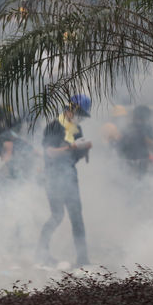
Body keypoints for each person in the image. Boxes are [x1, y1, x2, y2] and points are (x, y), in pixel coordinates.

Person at [37, 94, 92, 267]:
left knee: (77, 217)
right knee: (57, 215)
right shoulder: (54, 126)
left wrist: (83, 150)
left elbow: (72, 157)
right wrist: (72, 147)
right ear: (70, 110)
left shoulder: (77, 129)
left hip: (70, 177)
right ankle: (41, 253)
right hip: (53, 177)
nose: (80, 118)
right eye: (79, 113)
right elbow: (50, 152)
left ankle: (82, 259)